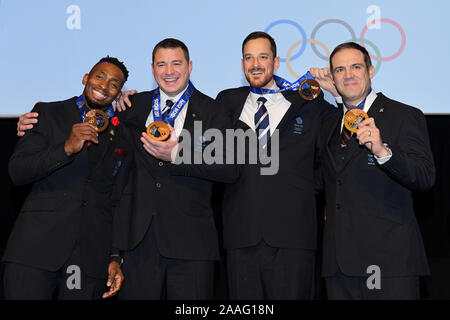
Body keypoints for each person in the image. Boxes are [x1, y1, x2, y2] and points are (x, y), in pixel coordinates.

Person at [213, 31, 338, 299]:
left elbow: (337, 142)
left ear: (277, 62)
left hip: (294, 234)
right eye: (248, 57)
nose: (255, 64)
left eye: (262, 56)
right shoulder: (227, 101)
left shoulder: (308, 101)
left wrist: (336, 94)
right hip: (241, 235)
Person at [110, 38, 237, 299]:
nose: (169, 71)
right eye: (162, 64)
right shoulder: (132, 107)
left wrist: (178, 153)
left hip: (192, 243)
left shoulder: (213, 110)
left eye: (176, 63)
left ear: (190, 66)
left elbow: (229, 168)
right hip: (138, 240)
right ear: (152, 68)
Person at [4, 57, 132, 299]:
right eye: (99, 77)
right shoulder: (48, 113)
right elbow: (18, 171)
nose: (104, 86)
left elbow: (117, 199)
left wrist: (115, 255)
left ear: (118, 94)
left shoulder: (123, 135)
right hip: (35, 249)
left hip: (88, 257)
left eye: (114, 84)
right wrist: (65, 148)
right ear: (86, 78)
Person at [314, 42, 435, 299]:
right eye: (340, 70)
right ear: (333, 78)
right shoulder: (329, 124)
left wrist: (383, 152)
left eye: (356, 67)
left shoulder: (403, 115)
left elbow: (425, 176)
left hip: (388, 261)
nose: (348, 75)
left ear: (370, 71)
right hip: (338, 267)